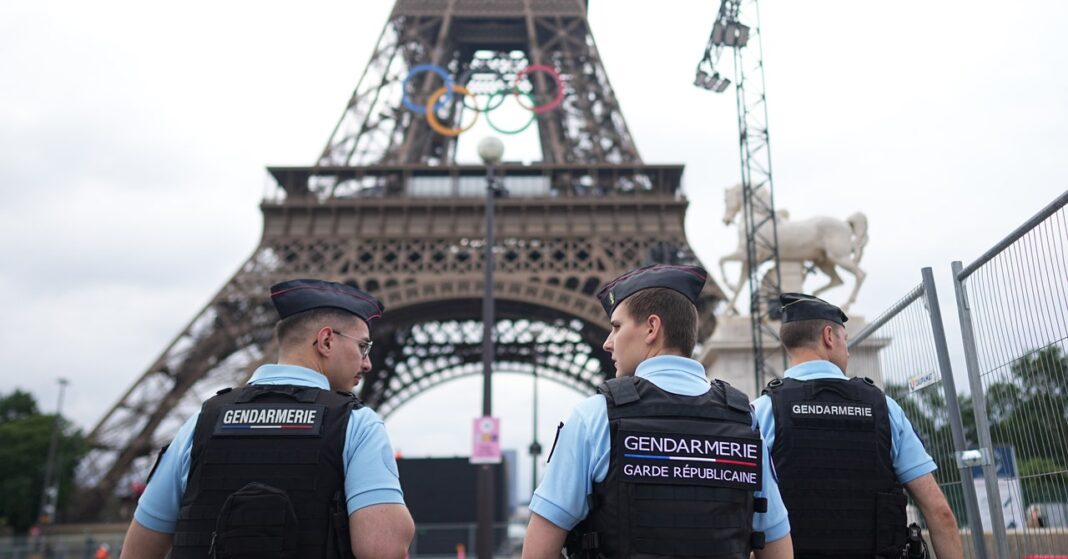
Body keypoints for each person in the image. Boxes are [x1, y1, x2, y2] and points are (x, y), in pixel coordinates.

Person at [120, 278, 414, 559]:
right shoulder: (357, 425)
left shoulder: (202, 422)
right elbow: (382, 548)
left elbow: (138, 550)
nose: (367, 362)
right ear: (325, 341)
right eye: (363, 346)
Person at [523, 264, 793, 559]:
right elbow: (777, 547)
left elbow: (538, 552)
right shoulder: (745, 419)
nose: (608, 342)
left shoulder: (595, 417)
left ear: (652, 328)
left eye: (616, 327)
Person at [752, 292, 963, 559]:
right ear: (829, 337)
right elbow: (939, 512)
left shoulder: (761, 413)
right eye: (845, 341)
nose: (848, 352)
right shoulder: (885, 409)